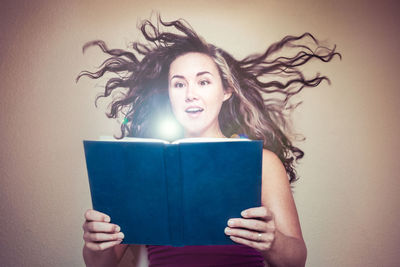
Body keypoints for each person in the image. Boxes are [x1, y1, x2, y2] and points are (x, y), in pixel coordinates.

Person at [78, 16, 340, 267]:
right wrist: (95, 243)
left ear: (226, 90)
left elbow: (296, 262)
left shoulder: (262, 162)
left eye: (203, 81)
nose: (190, 94)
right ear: (169, 94)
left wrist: (272, 240)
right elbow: (101, 263)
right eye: (179, 85)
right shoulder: (142, 165)